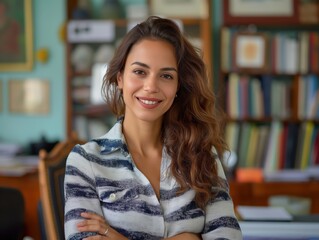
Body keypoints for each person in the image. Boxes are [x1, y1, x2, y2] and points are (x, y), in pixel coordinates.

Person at [64, 16, 242, 240]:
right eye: (140, 71)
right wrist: (188, 238)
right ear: (120, 77)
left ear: (178, 86)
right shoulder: (85, 162)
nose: (151, 86)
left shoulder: (203, 155)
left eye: (166, 76)